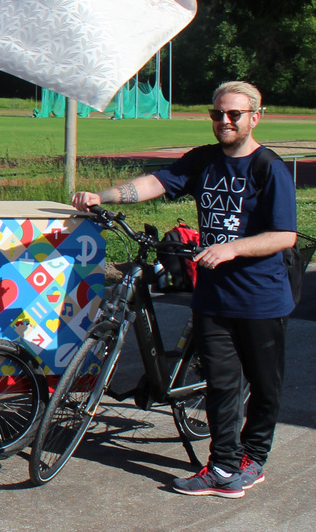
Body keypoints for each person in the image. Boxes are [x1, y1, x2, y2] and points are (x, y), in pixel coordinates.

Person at [72, 81, 295, 498]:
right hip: (213, 295)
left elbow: (284, 236)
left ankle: (254, 458)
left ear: (254, 117)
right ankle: (224, 467)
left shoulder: (269, 168)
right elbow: (156, 183)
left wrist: (231, 249)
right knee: (222, 384)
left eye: (234, 115)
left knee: (265, 386)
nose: (224, 122)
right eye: (217, 114)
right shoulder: (204, 161)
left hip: (260, 297)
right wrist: (100, 195)